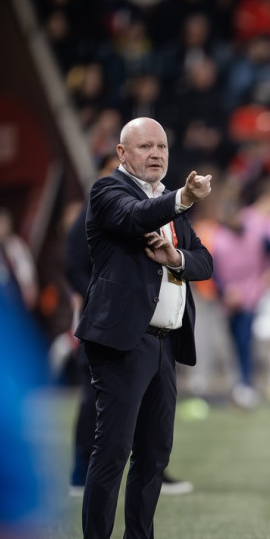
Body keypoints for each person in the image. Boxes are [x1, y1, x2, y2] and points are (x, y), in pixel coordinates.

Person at [74, 117, 214, 539]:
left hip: (163, 342)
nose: (156, 153)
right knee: (113, 448)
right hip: (121, 342)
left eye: (162, 146)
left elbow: (204, 262)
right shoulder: (108, 191)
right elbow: (137, 218)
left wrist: (175, 259)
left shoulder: (167, 204)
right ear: (122, 152)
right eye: (145, 146)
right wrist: (182, 200)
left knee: (154, 452)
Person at [64, 154, 194, 496]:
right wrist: (99, 297)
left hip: (145, 323)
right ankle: (80, 472)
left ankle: (153, 473)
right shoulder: (104, 197)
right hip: (107, 321)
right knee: (95, 400)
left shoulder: (155, 203)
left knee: (149, 412)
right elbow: (72, 264)